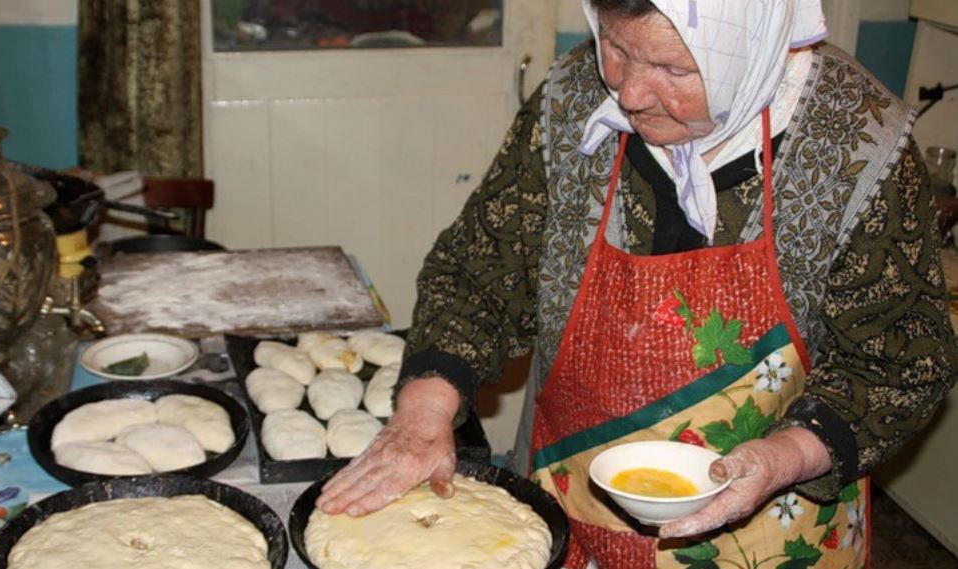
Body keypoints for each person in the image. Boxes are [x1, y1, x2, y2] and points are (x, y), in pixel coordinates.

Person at [317, 0, 958, 566]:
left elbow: (901, 359)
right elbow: (481, 265)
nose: (627, 93)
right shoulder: (573, 99)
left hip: (771, 529)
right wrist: (423, 416)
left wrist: (778, 459)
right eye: (616, 47)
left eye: (675, 71)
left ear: (752, 44)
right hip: (572, 504)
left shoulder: (857, 144)